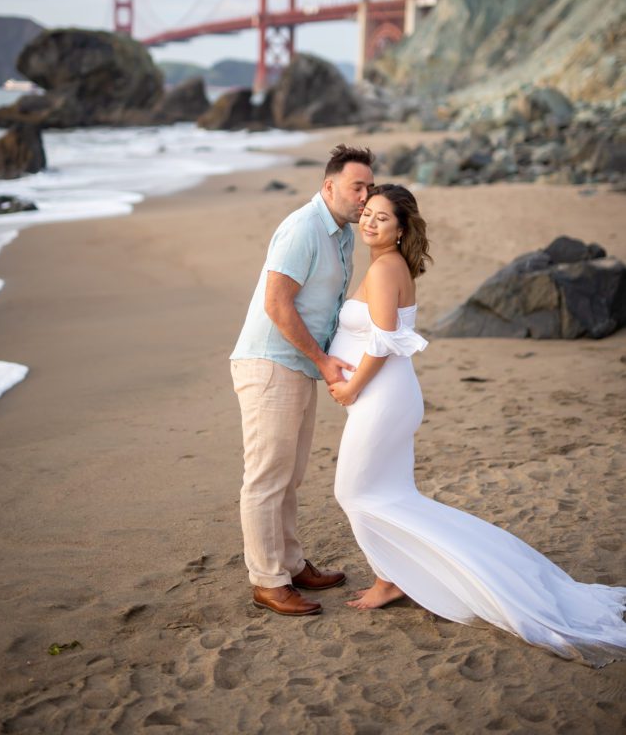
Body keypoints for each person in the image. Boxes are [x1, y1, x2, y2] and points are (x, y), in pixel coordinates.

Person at [329, 183, 626, 665]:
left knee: (356, 494)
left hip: (380, 396)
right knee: (393, 496)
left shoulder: (386, 268)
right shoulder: (389, 264)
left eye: (381, 218)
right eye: (367, 214)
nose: (369, 222)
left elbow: (383, 341)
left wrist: (351, 387)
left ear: (401, 228)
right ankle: (391, 577)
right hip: (390, 396)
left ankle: (392, 578)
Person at [230, 144, 375, 616]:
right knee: (267, 477)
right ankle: (267, 581)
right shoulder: (303, 228)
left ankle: (291, 564)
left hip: (300, 365)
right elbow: (277, 305)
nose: (365, 196)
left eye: (370, 187)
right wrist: (323, 360)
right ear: (328, 186)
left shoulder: (341, 235)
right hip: (271, 363)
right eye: (357, 187)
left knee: (289, 475)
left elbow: (326, 310)